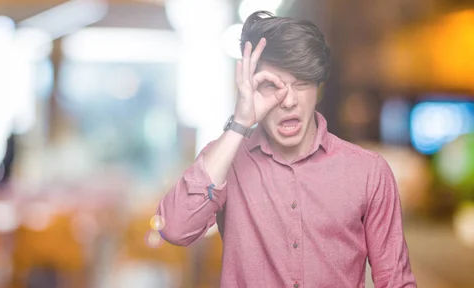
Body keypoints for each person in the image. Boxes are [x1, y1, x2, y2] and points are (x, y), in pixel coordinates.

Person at [155, 10, 417, 288]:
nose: (288, 101)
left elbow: (395, 281)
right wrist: (240, 123)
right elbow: (174, 229)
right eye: (271, 85)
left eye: (300, 84)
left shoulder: (369, 172)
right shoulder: (225, 160)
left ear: (318, 88)